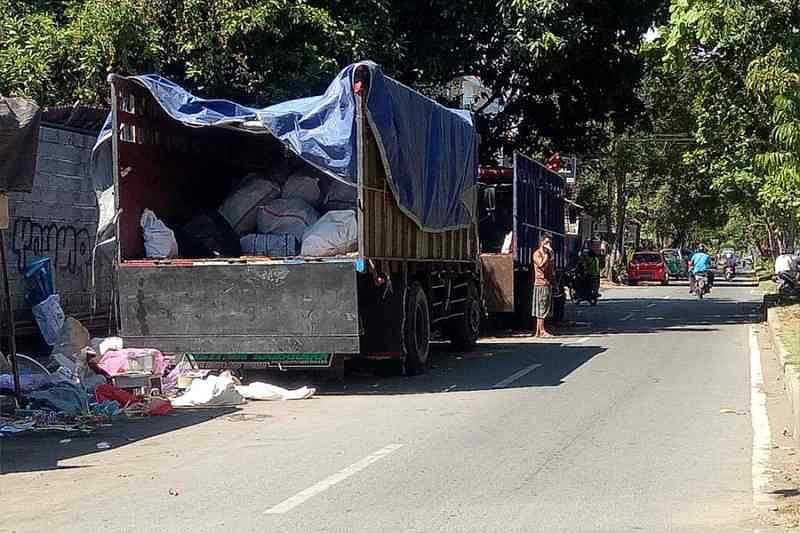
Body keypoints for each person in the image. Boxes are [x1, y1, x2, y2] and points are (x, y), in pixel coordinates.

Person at [532, 234, 555, 337]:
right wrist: (546, 255)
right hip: (540, 283)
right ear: (541, 243)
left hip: (547, 283)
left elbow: (550, 269)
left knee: (545, 307)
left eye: (549, 243)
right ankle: (541, 331)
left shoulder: (547, 255)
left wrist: (551, 256)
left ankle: (539, 330)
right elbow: (541, 265)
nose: (548, 245)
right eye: (546, 242)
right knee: (541, 307)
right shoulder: (537, 254)